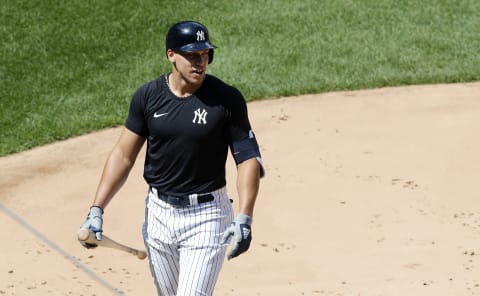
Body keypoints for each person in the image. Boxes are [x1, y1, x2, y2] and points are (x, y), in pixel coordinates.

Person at [79, 20, 265, 295]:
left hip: (207, 216)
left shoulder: (226, 99)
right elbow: (123, 155)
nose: (200, 62)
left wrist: (245, 216)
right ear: (171, 55)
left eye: (205, 55)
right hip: (158, 215)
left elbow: (247, 158)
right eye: (191, 56)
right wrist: (96, 209)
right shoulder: (148, 97)